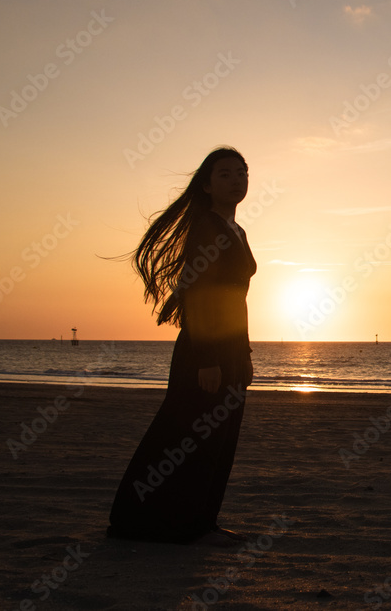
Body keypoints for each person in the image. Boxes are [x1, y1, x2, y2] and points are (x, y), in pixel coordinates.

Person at [107, 146, 257, 546]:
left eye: (242, 172)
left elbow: (234, 302)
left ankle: (202, 521)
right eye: (225, 173)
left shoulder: (236, 231)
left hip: (228, 348)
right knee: (189, 437)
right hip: (202, 350)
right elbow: (198, 295)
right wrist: (207, 359)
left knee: (220, 438)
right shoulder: (206, 229)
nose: (237, 179)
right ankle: (163, 523)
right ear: (207, 185)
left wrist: (243, 355)